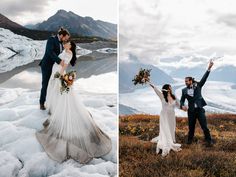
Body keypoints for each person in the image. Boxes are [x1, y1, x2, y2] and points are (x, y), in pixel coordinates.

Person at [36, 41, 112, 163]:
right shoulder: (64, 51)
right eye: (65, 43)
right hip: (56, 73)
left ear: (70, 46)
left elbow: (65, 65)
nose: (65, 44)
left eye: (67, 43)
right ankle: (56, 110)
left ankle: (64, 113)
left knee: (63, 95)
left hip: (59, 74)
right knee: (57, 94)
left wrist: (60, 75)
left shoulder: (69, 52)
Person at [180, 60, 214, 147]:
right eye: (185, 82)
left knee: (204, 127)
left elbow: (204, 78)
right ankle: (189, 141)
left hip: (200, 110)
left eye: (187, 81)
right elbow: (182, 100)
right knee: (191, 128)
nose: (185, 83)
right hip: (191, 111)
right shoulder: (184, 90)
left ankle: (209, 141)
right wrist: (182, 105)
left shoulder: (198, 85)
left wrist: (209, 68)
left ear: (191, 81)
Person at [39, 27, 70, 110]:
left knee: (55, 84)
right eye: (65, 38)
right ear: (61, 35)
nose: (66, 40)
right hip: (47, 65)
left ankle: (54, 103)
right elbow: (50, 52)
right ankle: (42, 103)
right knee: (45, 84)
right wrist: (59, 61)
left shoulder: (62, 43)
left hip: (55, 67)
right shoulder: (51, 39)